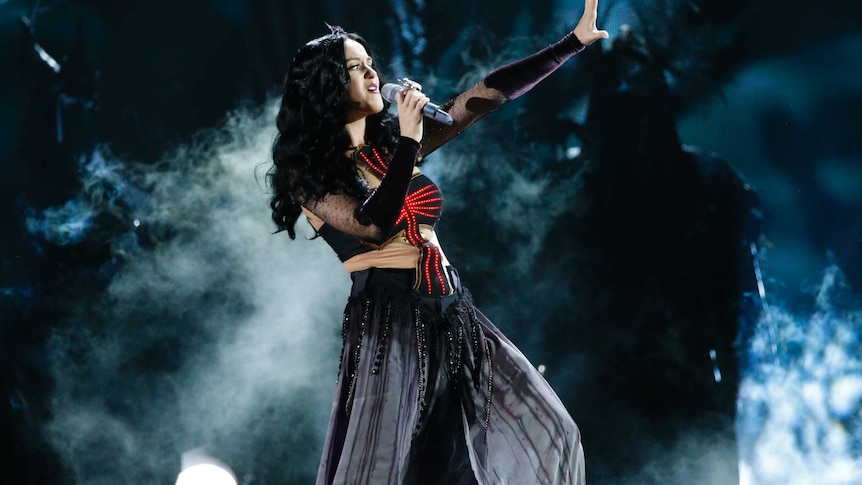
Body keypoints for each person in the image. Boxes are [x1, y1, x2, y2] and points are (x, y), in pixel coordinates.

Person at [268, 1, 607, 483]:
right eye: (354, 67)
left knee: (553, 432)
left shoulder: (390, 148)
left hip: (454, 310)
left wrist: (570, 44)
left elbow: (484, 97)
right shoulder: (309, 174)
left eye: (370, 63)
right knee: (382, 469)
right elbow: (373, 225)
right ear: (326, 86)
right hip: (391, 320)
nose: (371, 73)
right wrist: (408, 139)